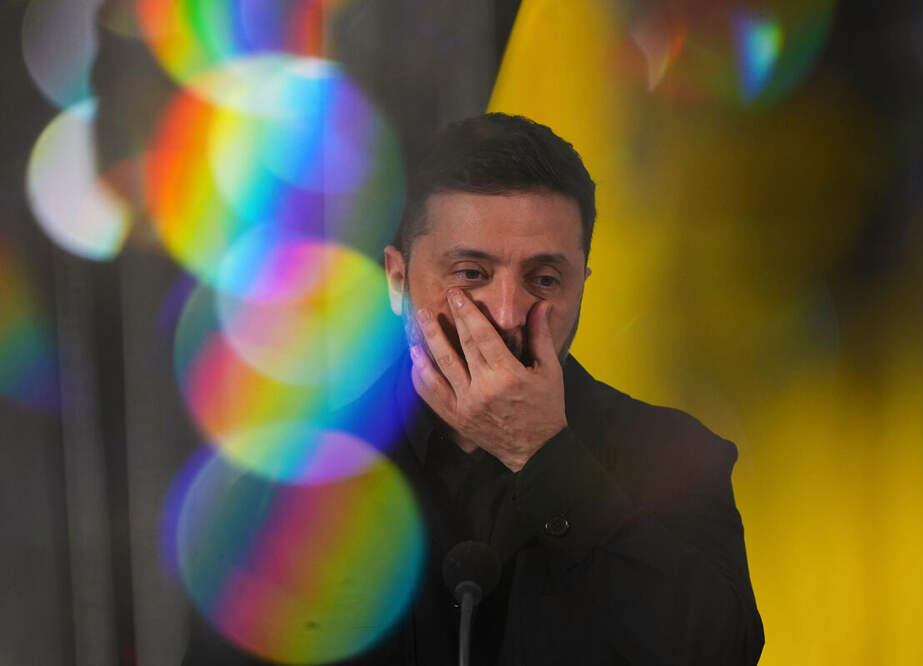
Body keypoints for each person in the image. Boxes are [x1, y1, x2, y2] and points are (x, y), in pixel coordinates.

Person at [183, 113, 764, 665]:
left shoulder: (674, 453)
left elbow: (721, 654)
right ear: (397, 279)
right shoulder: (290, 482)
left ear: (582, 287)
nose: (507, 313)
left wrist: (544, 455)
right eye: (471, 274)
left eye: (544, 279)